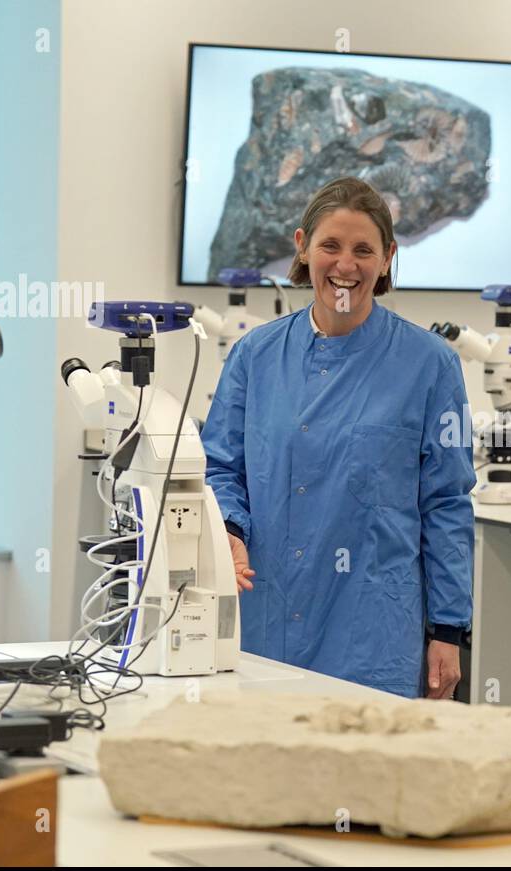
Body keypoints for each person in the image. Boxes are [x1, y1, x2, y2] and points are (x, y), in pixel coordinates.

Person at [202, 177, 476, 699]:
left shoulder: (431, 365)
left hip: (372, 632)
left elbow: (447, 503)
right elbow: (221, 467)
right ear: (302, 246)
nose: (345, 266)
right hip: (267, 616)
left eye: (363, 250)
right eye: (330, 246)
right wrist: (231, 529)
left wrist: (448, 630)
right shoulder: (254, 357)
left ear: (388, 257)